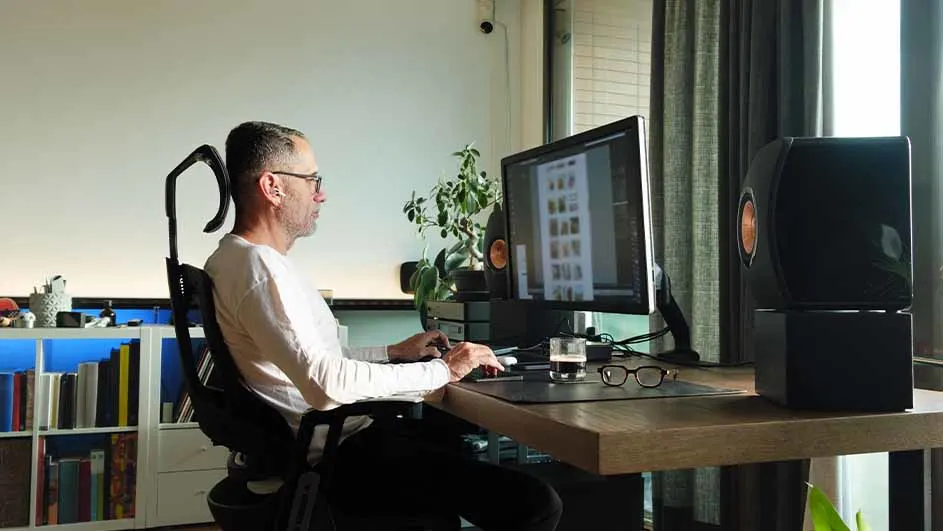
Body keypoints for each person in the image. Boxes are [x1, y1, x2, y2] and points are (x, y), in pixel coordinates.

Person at [204, 121, 563, 530]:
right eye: (312, 179)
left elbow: (308, 363)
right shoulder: (260, 269)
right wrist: (443, 370)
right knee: (537, 504)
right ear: (273, 188)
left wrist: (393, 354)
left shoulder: (232, 259)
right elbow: (324, 384)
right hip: (344, 454)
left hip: (332, 441)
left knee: (452, 445)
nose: (321, 193)